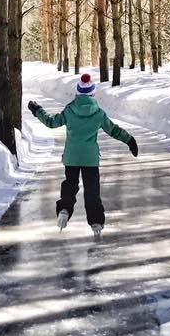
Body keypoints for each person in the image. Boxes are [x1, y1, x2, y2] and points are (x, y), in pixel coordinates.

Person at [28, 72, 139, 239]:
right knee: (92, 192)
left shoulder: (69, 110)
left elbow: (51, 122)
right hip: (90, 160)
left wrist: (37, 110)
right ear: (92, 93)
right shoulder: (99, 113)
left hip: (72, 158)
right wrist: (130, 140)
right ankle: (96, 223)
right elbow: (114, 130)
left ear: (78, 93)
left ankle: (65, 209)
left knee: (70, 186)